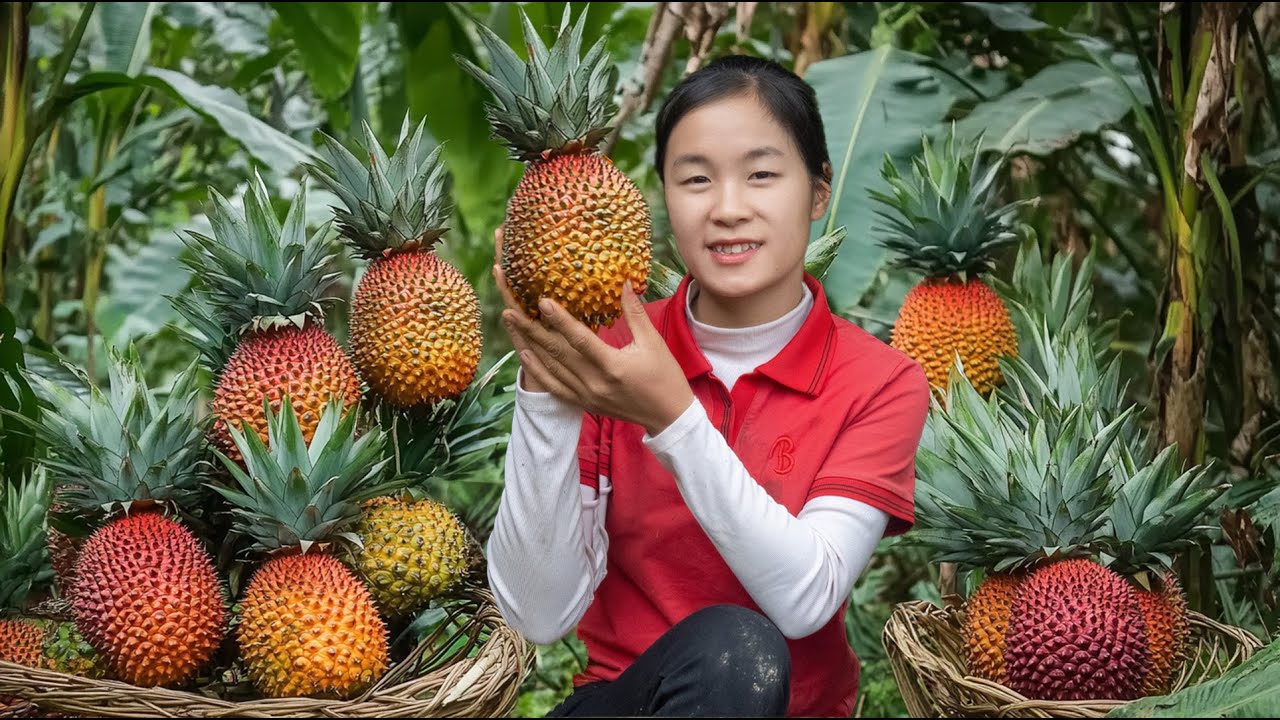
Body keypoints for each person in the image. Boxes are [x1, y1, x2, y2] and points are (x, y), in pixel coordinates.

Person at [486, 54, 931, 718]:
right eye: (695, 179)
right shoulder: (608, 355)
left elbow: (806, 598)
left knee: (737, 647)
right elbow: (537, 614)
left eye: (761, 175)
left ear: (817, 192)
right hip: (623, 705)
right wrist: (547, 392)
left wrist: (671, 416)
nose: (727, 209)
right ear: (661, 195)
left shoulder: (880, 381)